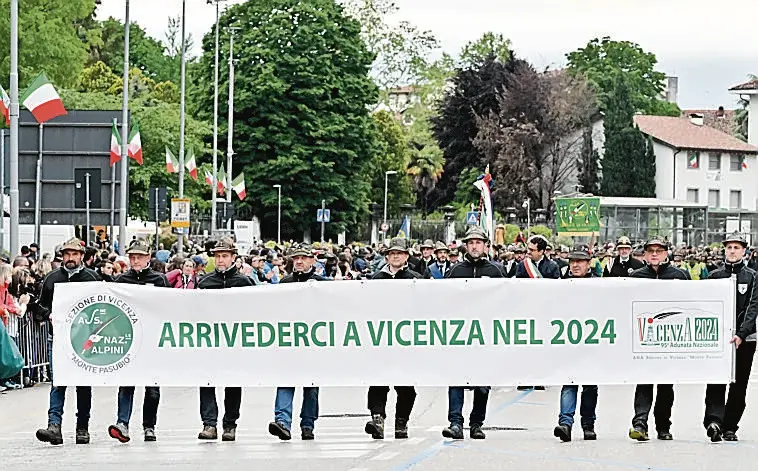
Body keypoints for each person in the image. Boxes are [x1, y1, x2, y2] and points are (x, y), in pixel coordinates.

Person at [35, 238, 101, 446]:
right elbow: (39, 308)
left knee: (83, 385)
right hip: (58, 340)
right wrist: (49, 315)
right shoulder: (52, 278)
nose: (70, 258)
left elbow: (101, 307)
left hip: (84, 341)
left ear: (82, 256)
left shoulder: (92, 278)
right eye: (66, 254)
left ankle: (82, 427)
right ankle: (54, 425)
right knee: (58, 383)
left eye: (74, 254)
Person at [442, 227, 502, 440]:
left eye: (479, 242)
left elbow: (507, 301)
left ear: (486, 245)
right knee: (456, 380)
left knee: (483, 385)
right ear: (466, 246)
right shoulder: (455, 271)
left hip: (486, 337)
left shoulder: (497, 271)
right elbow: (443, 301)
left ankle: (477, 423)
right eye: (471, 242)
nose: (475, 246)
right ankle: (455, 423)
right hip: (460, 335)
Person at [107, 240, 170, 443]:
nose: (135, 260)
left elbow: (170, 307)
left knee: (152, 389)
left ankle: (149, 426)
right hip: (130, 341)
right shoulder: (121, 281)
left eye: (139, 257)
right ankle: (122, 423)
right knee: (127, 384)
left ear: (148, 258)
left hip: (153, 341)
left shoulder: (159, 280)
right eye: (132, 257)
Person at [628, 238, 690, 442]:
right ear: (645, 255)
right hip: (643, 339)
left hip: (669, 341)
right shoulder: (636, 277)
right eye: (650, 251)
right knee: (644, 383)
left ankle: (663, 426)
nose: (654, 254)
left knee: (665, 386)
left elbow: (689, 306)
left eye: (659, 251)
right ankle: (640, 423)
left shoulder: (679, 276)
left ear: (666, 254)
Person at [269, 245, 328, 441]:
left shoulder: (322, 284)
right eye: (296, 258)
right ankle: (282, 421)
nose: (300, 262)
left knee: (311, 386)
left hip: (313, 344)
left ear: (313, 260)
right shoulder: (286, 283)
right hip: (290, 343)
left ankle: (308, 424)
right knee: (286, 380)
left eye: (304, 258)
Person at [197, 238, 254, 441]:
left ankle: (230, 424)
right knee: (206, 381)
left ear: (233, 258)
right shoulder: (204, 283)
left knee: (232, 383)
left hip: (234, 343)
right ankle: (209, 424)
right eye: (218, 256)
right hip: (210, 341)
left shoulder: (243, 283)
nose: (220, 260)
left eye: (224, 256)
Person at [703, 232, 758, 442]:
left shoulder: (752, 276)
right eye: (729, 247)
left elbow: (753, 308)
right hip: (719, 339)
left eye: (736, 247)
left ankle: (730, 426)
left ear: (744, 251)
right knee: (716, 380)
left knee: (739, 384)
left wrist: (741, 333)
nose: (732, 251)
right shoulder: (714, 276)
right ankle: (714, 421)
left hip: (745, 339)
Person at [365, 238, 421, 440]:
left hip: (406, 341)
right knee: (378, 382)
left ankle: (401, 422)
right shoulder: (376, 279)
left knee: (406, 386)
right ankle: (377, 418)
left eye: (400, 253)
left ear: (406, 256)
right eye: (392, 253)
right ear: (387, 256)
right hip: (382, 338)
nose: (395, 256)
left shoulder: (415, 279)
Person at [553, 246, 598, 442]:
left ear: (589, 264)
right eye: (572, 261)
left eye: (580, 261)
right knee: (569, 382)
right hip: (568, 341)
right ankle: (565, 424)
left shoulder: (600, 286)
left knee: (590, 386)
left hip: (592, 342)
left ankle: (588, 425)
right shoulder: (560, 285)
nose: (575, 265)